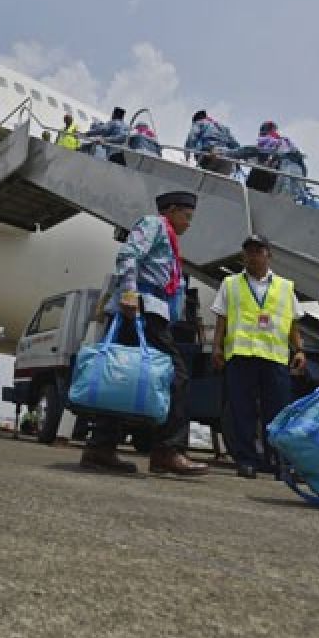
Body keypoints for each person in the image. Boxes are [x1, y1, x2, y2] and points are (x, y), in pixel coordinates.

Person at [81, 191, 209, 476]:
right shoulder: (153, 224)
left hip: (150, 312)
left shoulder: (169, 239)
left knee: (117, 376)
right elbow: (129, 254)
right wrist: (128, 291)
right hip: (140, 310)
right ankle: (167, 450)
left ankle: (100, 447)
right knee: (176, 375)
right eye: (187, 217)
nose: (189, 224)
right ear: (172, 211)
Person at [211, 234, 306, 478]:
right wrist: (217, 348)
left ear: (268, 255)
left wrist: (300, 350)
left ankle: (279, 462)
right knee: (241, 411)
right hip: (241, 355)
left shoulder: (285, 286)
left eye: (258, 251)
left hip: (274, 358)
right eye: (248, 252)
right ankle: (246, 460)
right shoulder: (230, 284)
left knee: (277, 412)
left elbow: (293, 324)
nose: (253, 256)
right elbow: (221, 318)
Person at [185, 110, 239, 175]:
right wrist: (237, 163)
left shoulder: (199, 123)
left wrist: (187, 154)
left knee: (204, 178)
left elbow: (192, 137)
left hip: (210, 155)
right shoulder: (223, 127)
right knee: (220, 182)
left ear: (196, 119)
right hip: (227, 158)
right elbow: (235, 145)